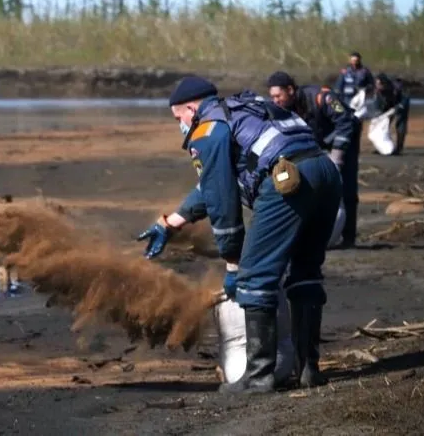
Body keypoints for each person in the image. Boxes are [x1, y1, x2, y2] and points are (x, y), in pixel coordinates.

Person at [137, 76, 342, 394]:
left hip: (288, 181)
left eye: (179, 118)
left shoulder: (208, 128)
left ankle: (258, 377)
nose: (180, 124)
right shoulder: (250, 107)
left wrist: (234, 263)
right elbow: (213, 184)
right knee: (305, 272)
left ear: (191, 108)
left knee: (255, 277)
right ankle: (308, 369)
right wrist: (169, 223)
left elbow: (221, 200)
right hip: (326, 174)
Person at [267, 71, 361, 249]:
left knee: (346, 187)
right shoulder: (283, 109)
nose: (276, 101)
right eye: (272, 97)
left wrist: (337, 156)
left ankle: (348, 238)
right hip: (319, 139)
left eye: (278, 96)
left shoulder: (322, 97)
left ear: (290, 90)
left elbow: (345, 123)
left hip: (346, 137)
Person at [374, 73, 410, 156]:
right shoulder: (378, 91)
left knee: (400, 124)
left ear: (384, 84)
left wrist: (397, 108)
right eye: (376, 84)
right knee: (382, 124)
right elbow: (378, 104)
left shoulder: (398, 87)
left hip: (401, 103)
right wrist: (379, 114)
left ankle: (399, 148)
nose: (377, 86)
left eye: (379, 84)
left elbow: (405, 99)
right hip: (388, 104)